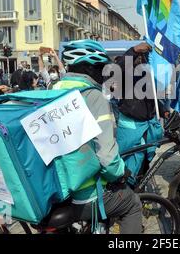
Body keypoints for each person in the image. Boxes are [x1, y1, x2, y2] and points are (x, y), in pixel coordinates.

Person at [55, 40, 142, 234]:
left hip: (58, 189)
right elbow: (107, 157)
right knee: (132, 204)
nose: (104, 73)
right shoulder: (94, 97)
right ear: (87, 67)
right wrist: (122, 172)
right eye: (101, 67)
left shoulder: (53, 90)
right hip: (86, 192)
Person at [112, 42, 164, 185]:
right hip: (130, 125)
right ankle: (127, 193)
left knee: (145, 160)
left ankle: (139, 189)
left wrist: (164, 111)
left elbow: (151, 96)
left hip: (149, 125)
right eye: (140, 56)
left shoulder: (147, 75)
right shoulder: (124, 73)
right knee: (128, 160)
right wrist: (133, 50)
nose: (143, 58)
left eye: (145, 56)